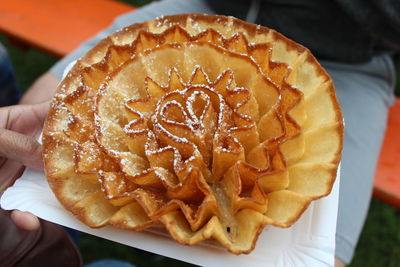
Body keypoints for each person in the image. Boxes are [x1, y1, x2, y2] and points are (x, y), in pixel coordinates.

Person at [2, 0, 398, 266]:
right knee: (41, 134)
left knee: (319, 260)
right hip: (208, 9)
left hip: (347, 57)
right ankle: (42, 240)